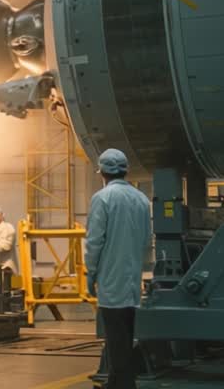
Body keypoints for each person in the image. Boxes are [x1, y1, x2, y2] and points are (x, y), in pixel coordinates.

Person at [85, 148, 152, 389]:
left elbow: (94, 242)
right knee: (125, 335)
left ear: (102, 172)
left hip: (111, 281)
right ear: (125, 170)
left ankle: (123, 385)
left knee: (116, 339)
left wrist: (89, 274)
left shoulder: (102, 198)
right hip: (133, 280)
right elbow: (146, 241)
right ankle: (115, 382)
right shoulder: (141, 199)